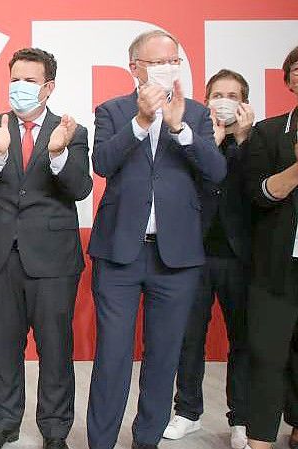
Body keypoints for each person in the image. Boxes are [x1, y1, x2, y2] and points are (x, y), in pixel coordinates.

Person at [87, 30, 226, 449]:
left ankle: (146, 440)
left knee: (163, 358)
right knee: (112, 358)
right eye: (158, 61)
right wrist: (143, 121)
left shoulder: (197, 115)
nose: (168, 68)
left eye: (173, 60)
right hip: (120, 256)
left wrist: (179, 127)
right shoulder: (112, 111)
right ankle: (101, 442)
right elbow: (103, 163)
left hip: (177, 258)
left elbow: (216, 171)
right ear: (135, 68)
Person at [0, 47, 92, 449]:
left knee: (55, 347)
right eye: (15, 79)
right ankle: (5, 422)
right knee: (5, 343)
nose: (20, 87)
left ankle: (55, 430)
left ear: (48, 86)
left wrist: (57, 153)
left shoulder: (71, 129)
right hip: (0, 253)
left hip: (53, 258)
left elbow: (79, 187)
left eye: (30, 80)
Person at [163, 68, 254, 449]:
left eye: (232, 94)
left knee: (244, 340)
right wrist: (209, 146)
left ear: (244, 102)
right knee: (189, 338)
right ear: (206, 97)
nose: (224, 100)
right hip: (194, 253)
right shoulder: (194, 136)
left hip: (241, 256)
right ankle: (187, 411)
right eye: (217, 93)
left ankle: (242, 419)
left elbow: (260, 192)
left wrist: (243, 140)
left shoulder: (258, 140)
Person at [244, 45, 298, 449]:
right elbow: (260, 194)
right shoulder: (268, 132)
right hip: (278, 266)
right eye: (295, 68)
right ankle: (261, 437)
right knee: (266, 353)